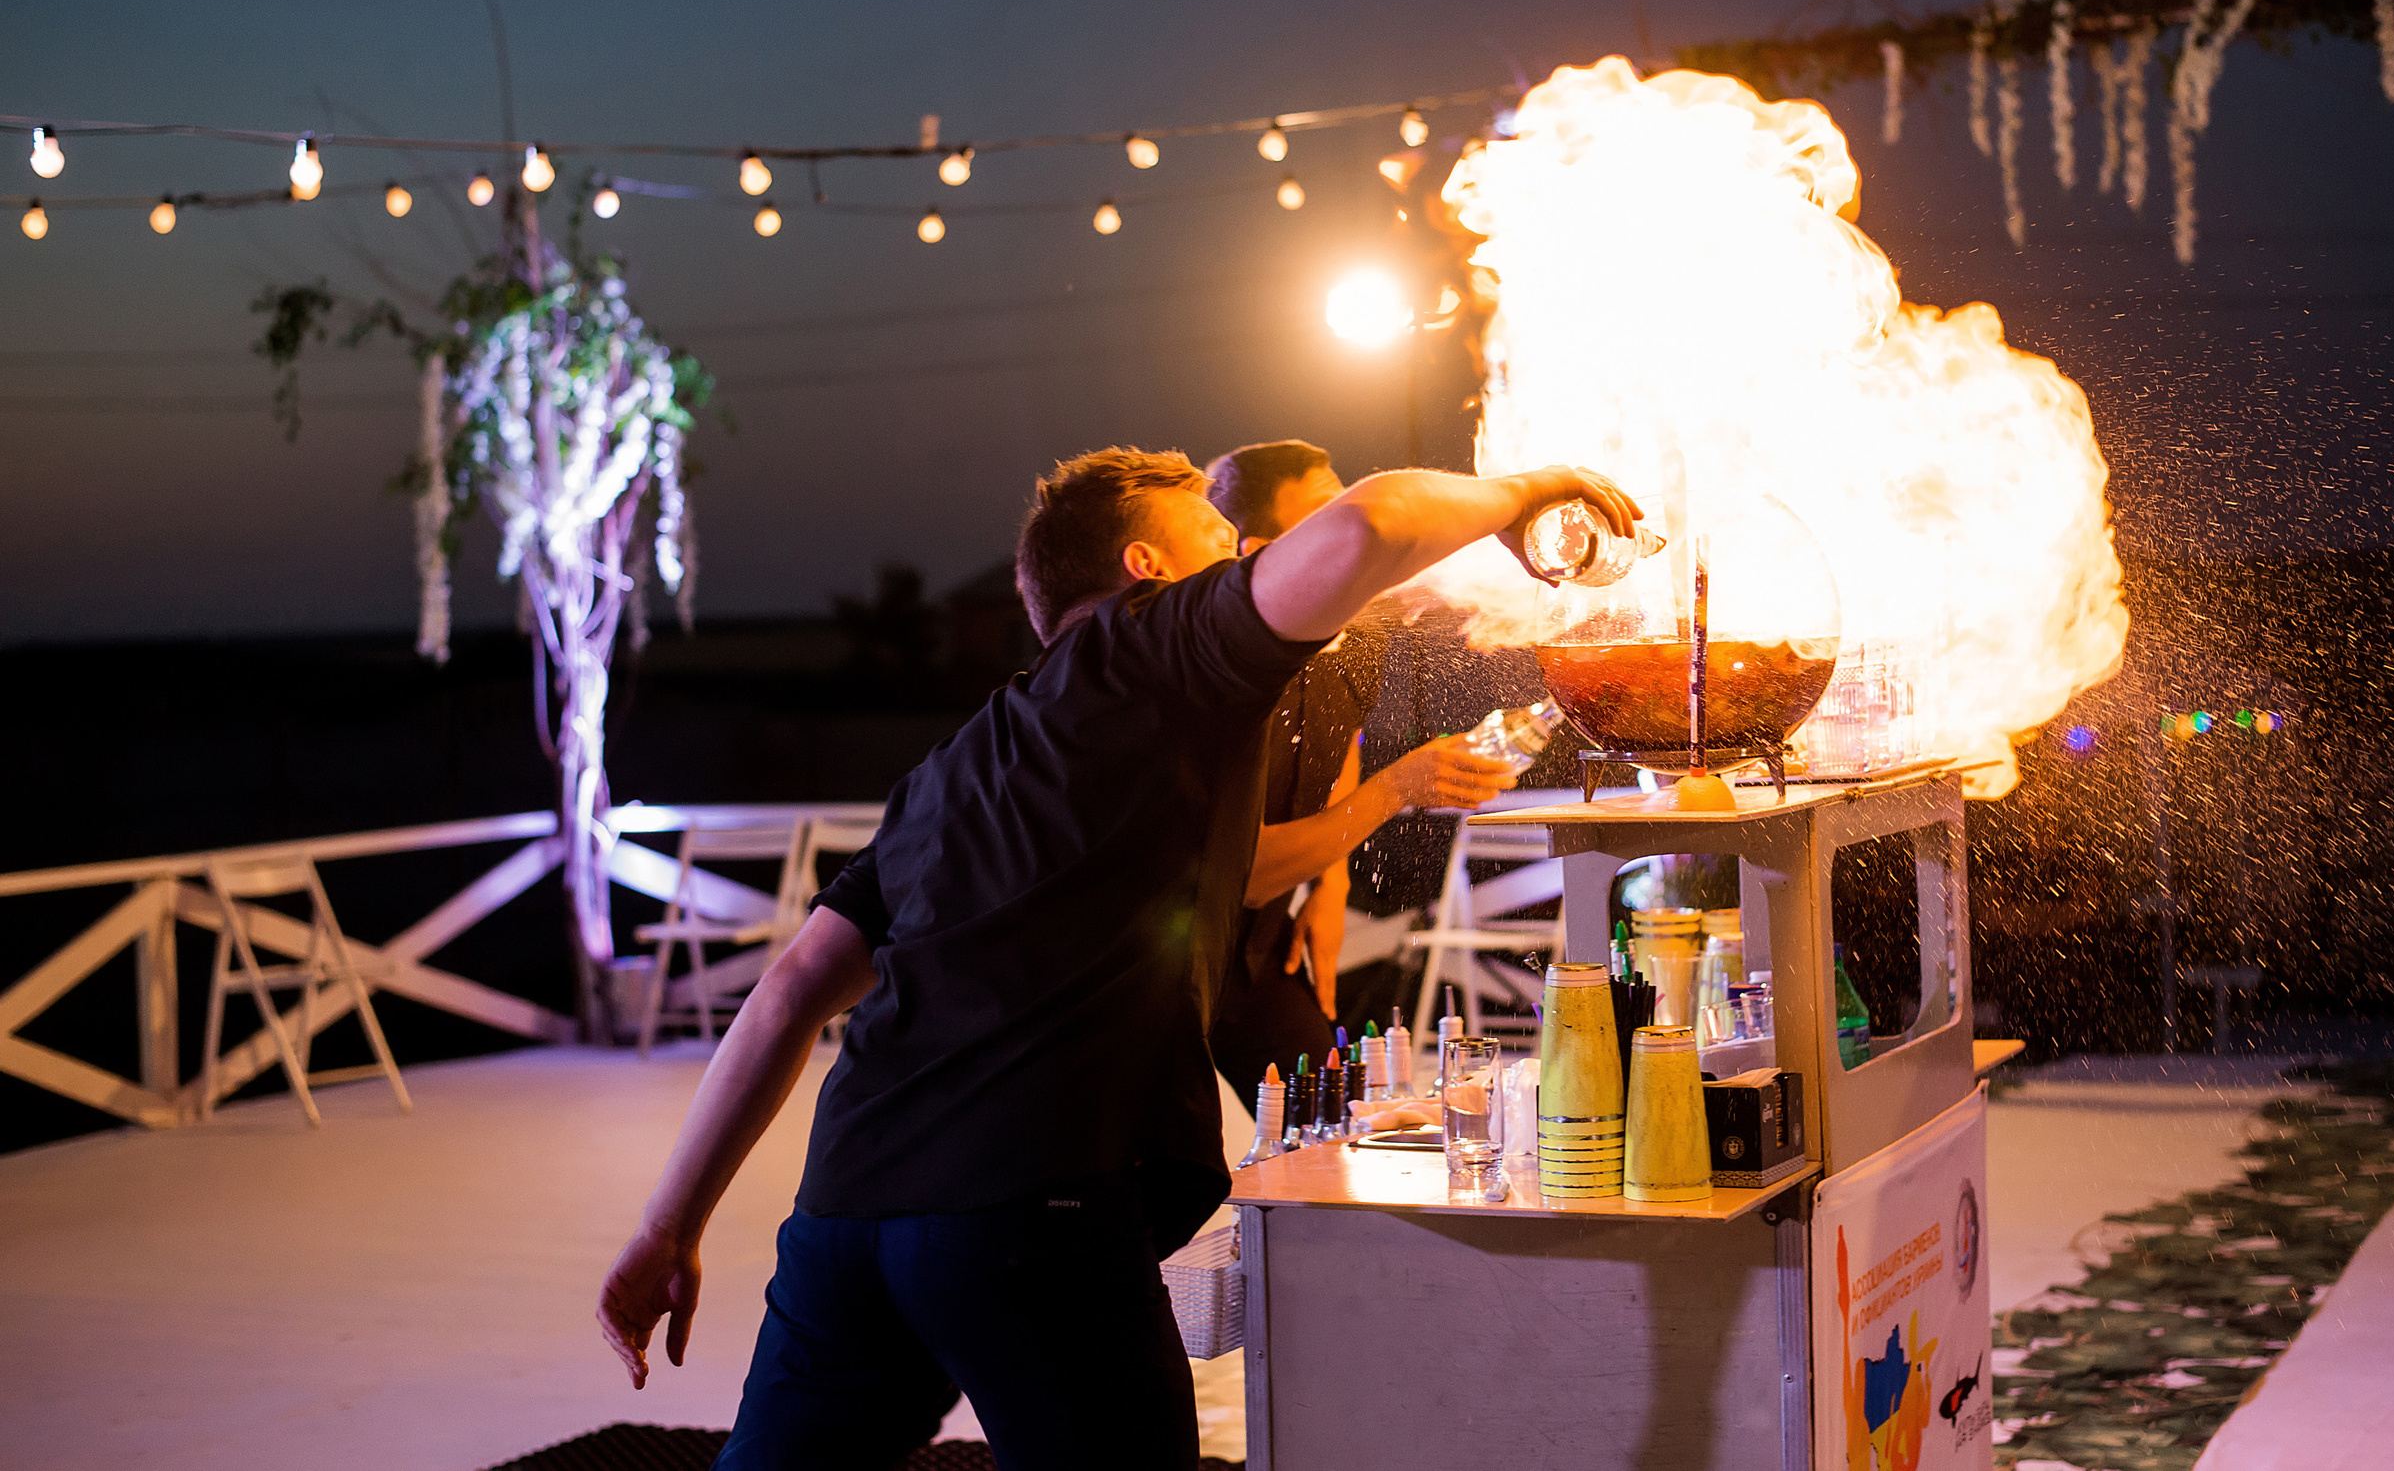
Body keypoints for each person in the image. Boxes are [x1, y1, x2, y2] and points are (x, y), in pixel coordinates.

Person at [595, 446, 1638, 1471]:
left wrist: (665, 1226)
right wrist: (1523, 489)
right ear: (1148, 569)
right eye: (1217, 535)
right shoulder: (1153, 651)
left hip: (847, 1210)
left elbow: (786, 995)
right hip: (1033, 1208)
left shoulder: (956, 762)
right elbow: (1365, 526)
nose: (1243, 552)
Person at [1200, 440, 1514, 1100]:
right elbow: (1247, 873)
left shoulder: (1349, 640)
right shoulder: (1230, 676)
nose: (1356, 534)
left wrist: (1332, 879)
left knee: (1336, 1110)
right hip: (1159, 973)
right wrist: (1398, 786)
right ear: (1262, 555)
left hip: (1258, 953)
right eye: (1327, 521)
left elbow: (1336, 741)